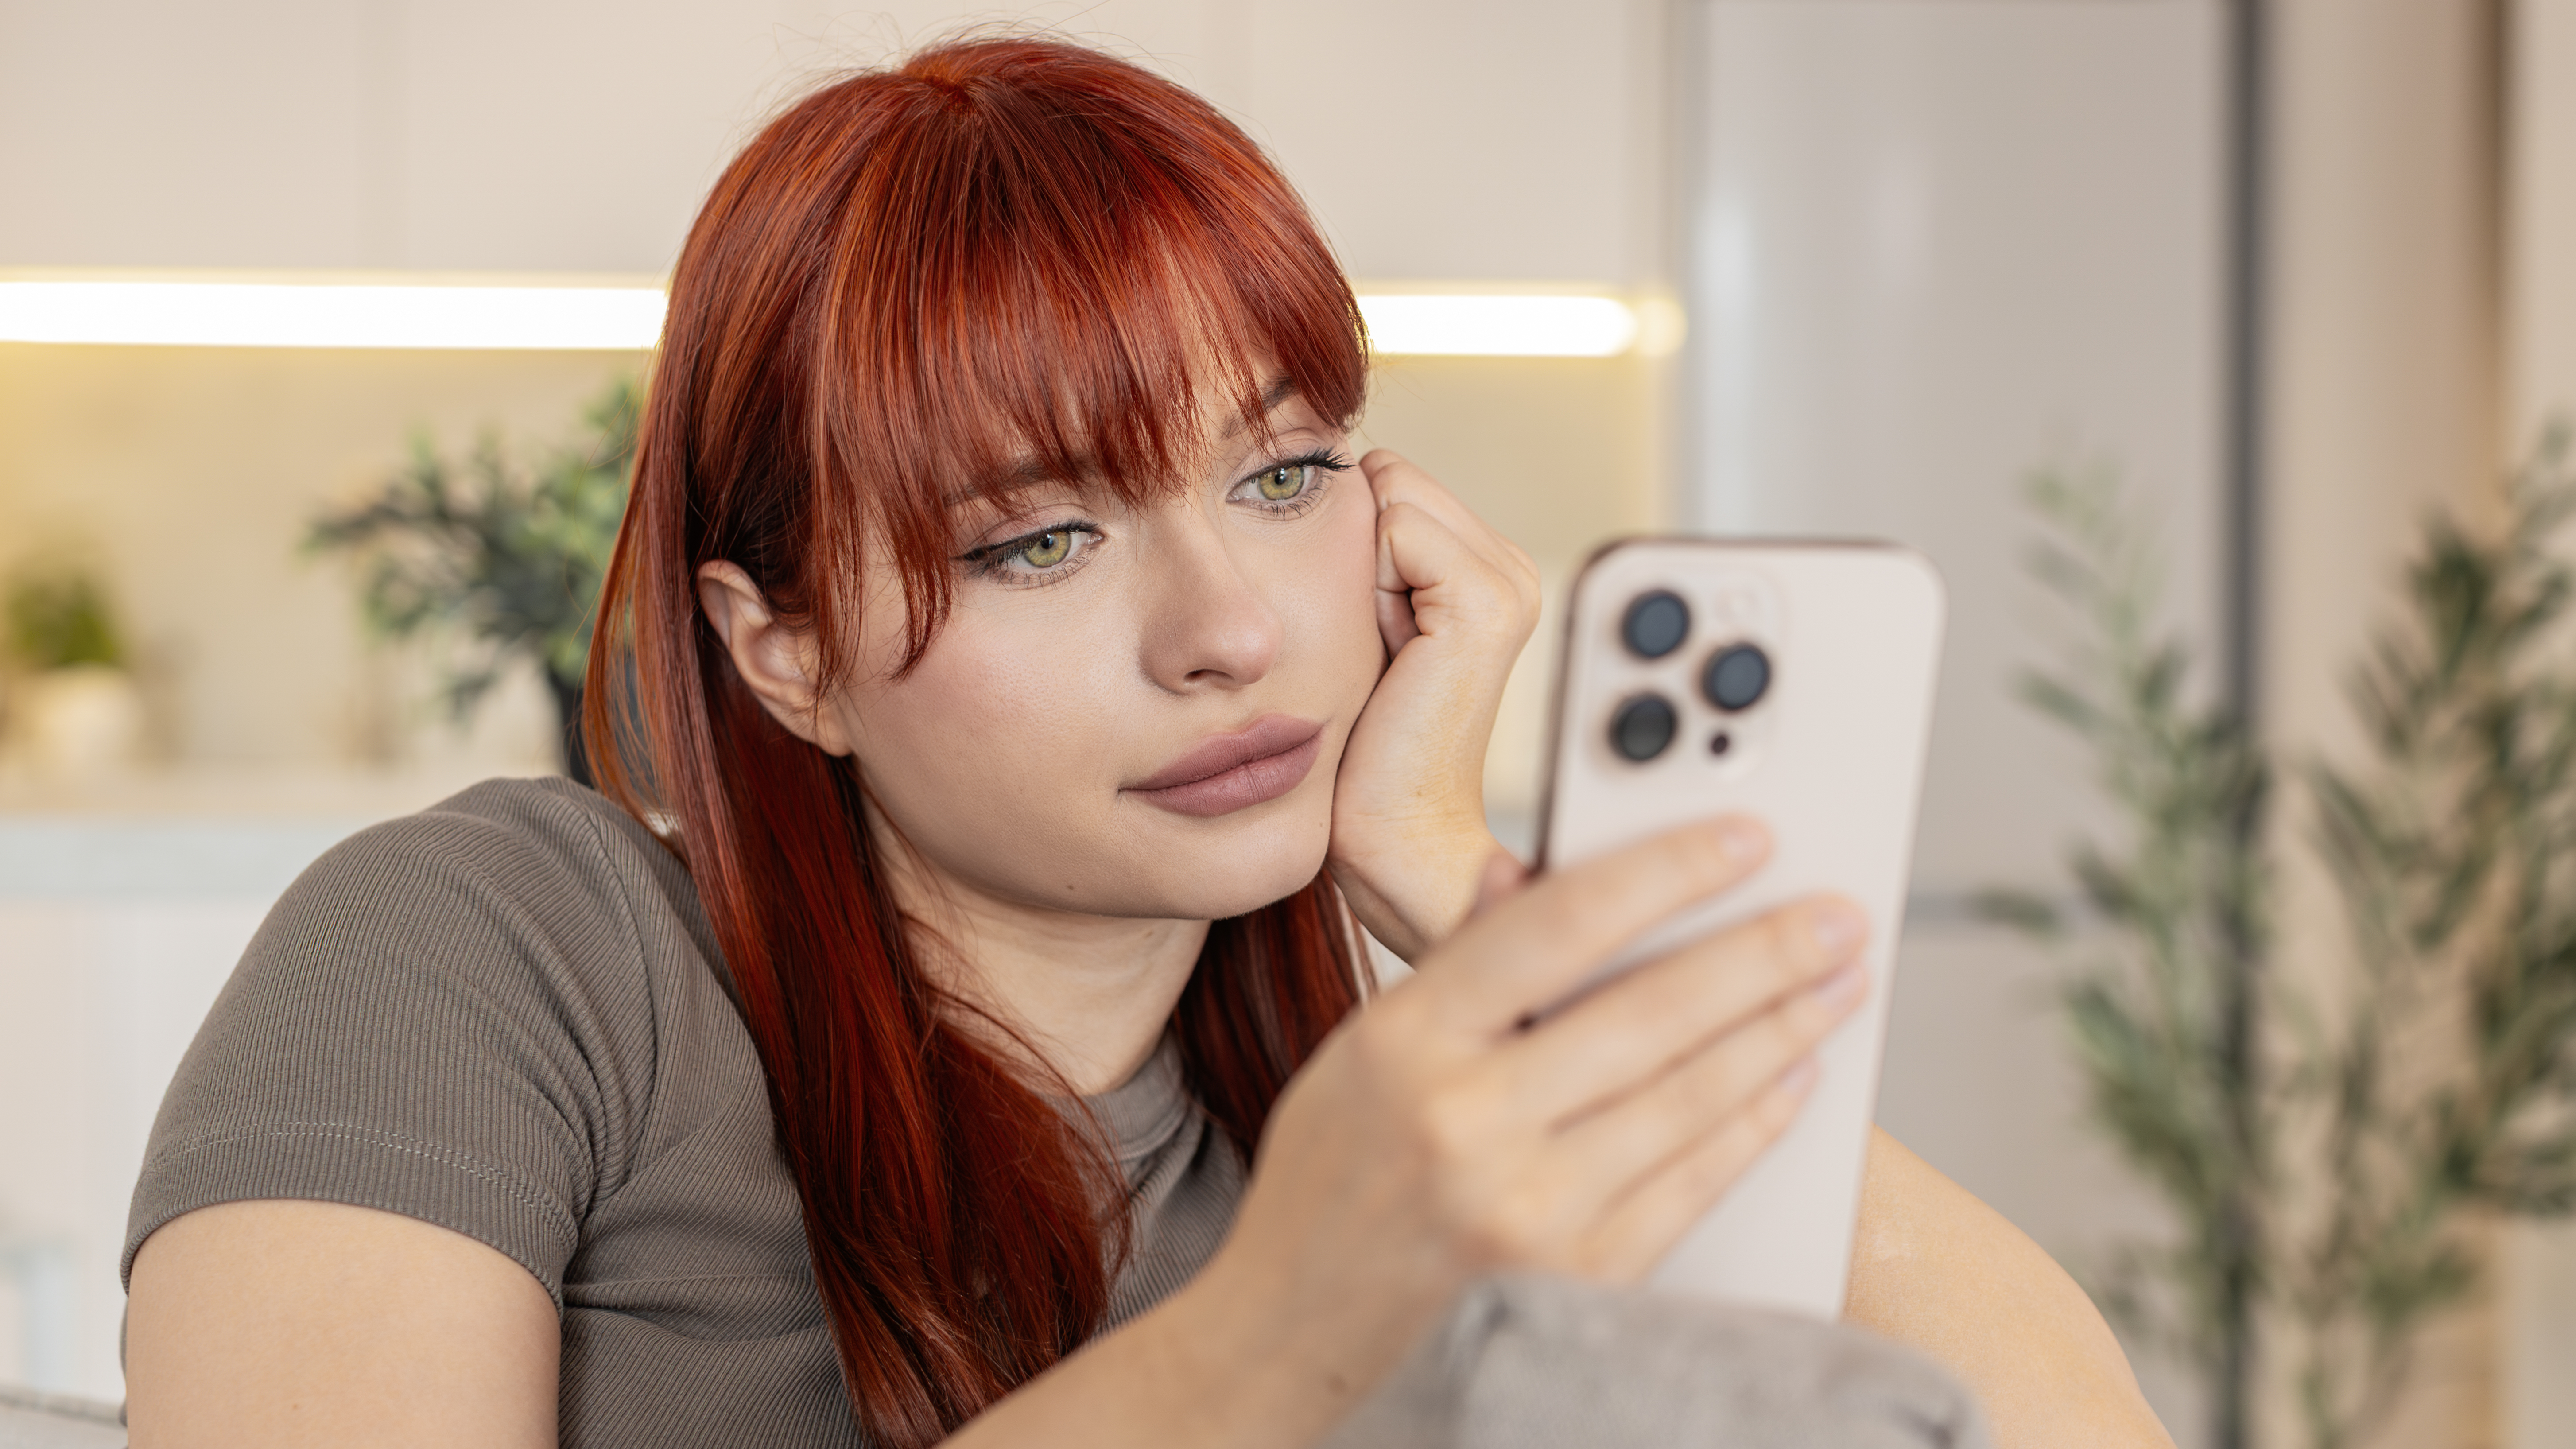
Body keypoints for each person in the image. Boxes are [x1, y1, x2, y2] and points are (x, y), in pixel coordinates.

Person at [120, 35, 2172, 1449]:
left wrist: (1456, 885)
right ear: (787, 650)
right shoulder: (493, 955)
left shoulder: (1379, 1105)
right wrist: (1288, 1318)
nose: (1226, 631)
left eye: (1284, 474)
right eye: (1040, 537)